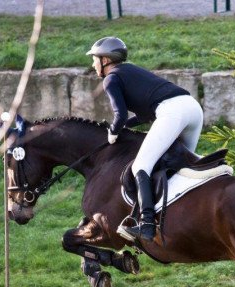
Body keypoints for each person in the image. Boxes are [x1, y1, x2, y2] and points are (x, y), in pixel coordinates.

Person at [86, 36, 204, 242]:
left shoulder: (110, 79)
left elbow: (120, 115)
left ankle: (147, 225)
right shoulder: (130, 70)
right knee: (183, 163)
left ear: (105, 60)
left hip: (172, 113)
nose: (93, 63)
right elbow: (144, 114)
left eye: (95, 58)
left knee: (140, 166)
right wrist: (124, 128)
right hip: (192, 108)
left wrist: (113, 132)